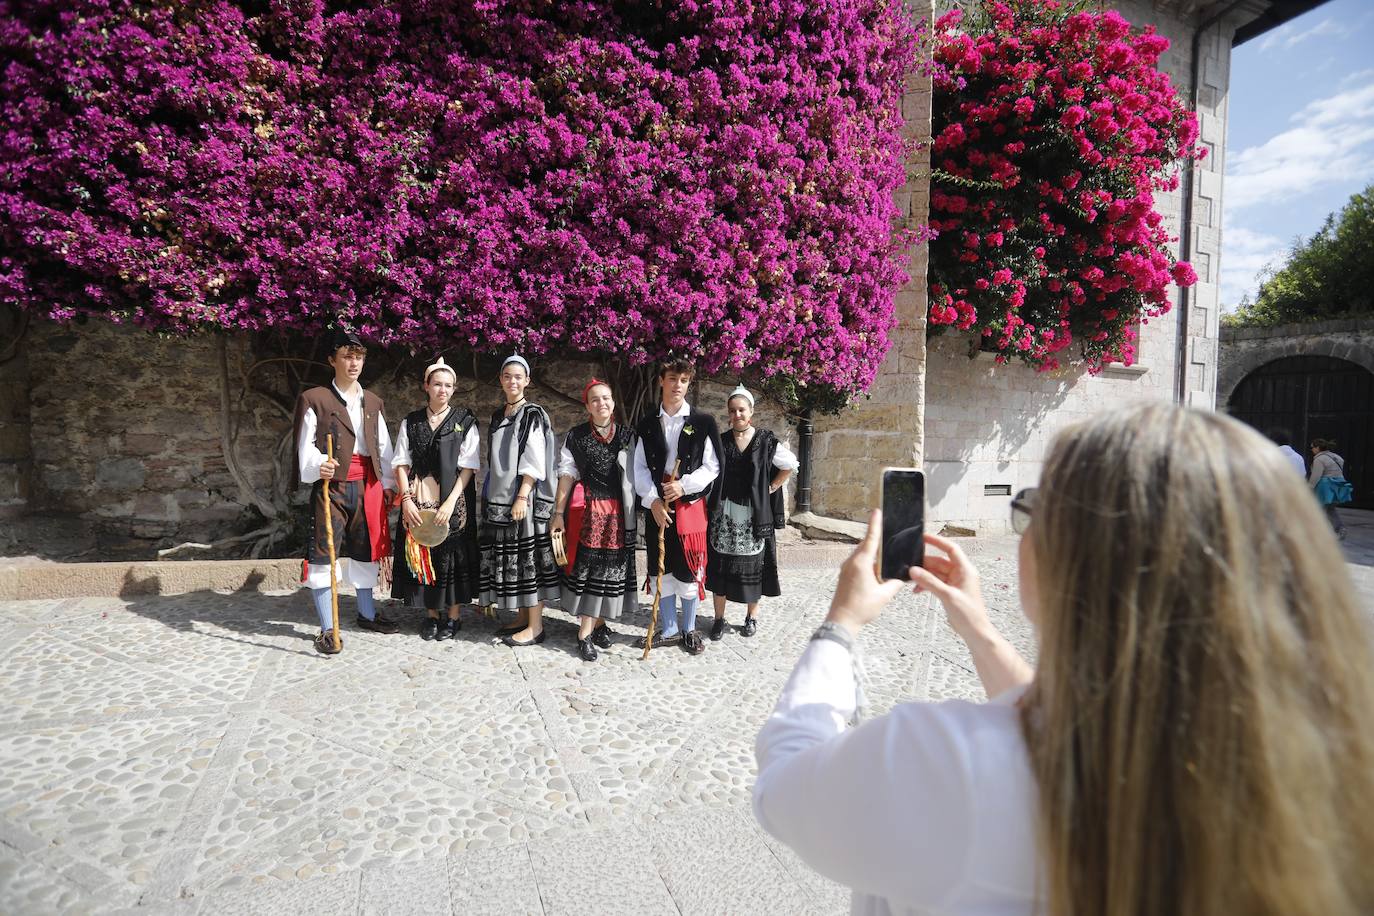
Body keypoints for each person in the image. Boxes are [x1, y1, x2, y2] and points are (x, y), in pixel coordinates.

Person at [754, 404, 1374, 916]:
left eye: (1032, 508)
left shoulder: (949, 761)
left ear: (1073, 555)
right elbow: (1070, 718)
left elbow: (783, 786)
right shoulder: (1310, 776)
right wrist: (977, 627)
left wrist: (841, 624)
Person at [293, 327, 400, 655]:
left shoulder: (373, 401)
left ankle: (367, 614)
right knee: (325, 555)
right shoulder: (314, 399)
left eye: (358, 357)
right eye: (347, 356)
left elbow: (382, 447)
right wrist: (317, 465)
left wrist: (390, 485)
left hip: (367, 487)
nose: (354, 363)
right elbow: (305, 446)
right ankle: (328, 628)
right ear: (332, 359)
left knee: (365, 551)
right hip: (331, 488)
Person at [633, 358, 722, 655]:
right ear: (661, 380)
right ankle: (669, 627)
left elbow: (712, 466)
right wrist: (654, 500)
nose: (677, 385)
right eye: (672, 378)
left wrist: (683, 485)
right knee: (663, 565)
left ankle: (689, 628)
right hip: (659, 507)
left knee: (689, 567)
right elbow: (640, 468)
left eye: (683, 380)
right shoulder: (647, 424)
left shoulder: (702, 422)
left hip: (689, 506)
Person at [391, 357, 481, 640]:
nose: (443, 389)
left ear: (454, 390)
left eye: (448, 385)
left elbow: (468, 466)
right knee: (424, 551)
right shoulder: (411, 421)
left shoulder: (465, 421)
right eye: (437, 384)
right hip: (418, 496)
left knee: (452, 556)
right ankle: (430, 615)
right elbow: (401, 463)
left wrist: (452, 500)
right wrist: (405, 499)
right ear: (426, 386)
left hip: (453, 497)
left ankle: (453, 617)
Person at [551, 379, 638, 661]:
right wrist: (557, 513)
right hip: (588, 514)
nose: (602, 403)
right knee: (590, 574)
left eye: (607, 398)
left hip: (618, 516)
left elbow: (638, 477)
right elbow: (566, 475)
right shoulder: (576, 437)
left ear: (613, 402)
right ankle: (585, 634)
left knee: (607, 574)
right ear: (587, 406)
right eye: (596, 399)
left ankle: (598, 624)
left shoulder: (627, 436)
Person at [479, 354, 561, 646]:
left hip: (521, 498)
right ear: (501, 380)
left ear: (527, 380)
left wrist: (522, 495)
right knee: (514, 556)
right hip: (501, 499)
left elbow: (534, 458)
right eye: (507, 376)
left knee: (529, 561)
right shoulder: (498, 415)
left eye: (518, 376)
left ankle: (536, 627)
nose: (512, 381)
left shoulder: (532, 414)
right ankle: (525, 616)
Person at [706, 385, 796, 639]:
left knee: (754, 568)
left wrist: (772, 486)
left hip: (753, 516)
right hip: (725, 516)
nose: (737, 415)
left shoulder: (766, 441)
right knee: (721, 567)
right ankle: (719, 619)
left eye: (741, 410)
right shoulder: (721, 441)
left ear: (751, 411)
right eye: (732, 411)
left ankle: (751, 617)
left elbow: (789, 464)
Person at [1309, 437, 1351, 539]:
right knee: (1330, 509)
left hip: (1326, 487)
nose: (1311, 449)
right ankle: (1340, 529)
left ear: (1318, 447)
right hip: (1338, 485)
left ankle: (1316, 533)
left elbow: (1315, 476)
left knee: (1318, 510)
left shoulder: (1319, 459)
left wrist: (1309, 488)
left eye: (1312, 447)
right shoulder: (1337, 457)